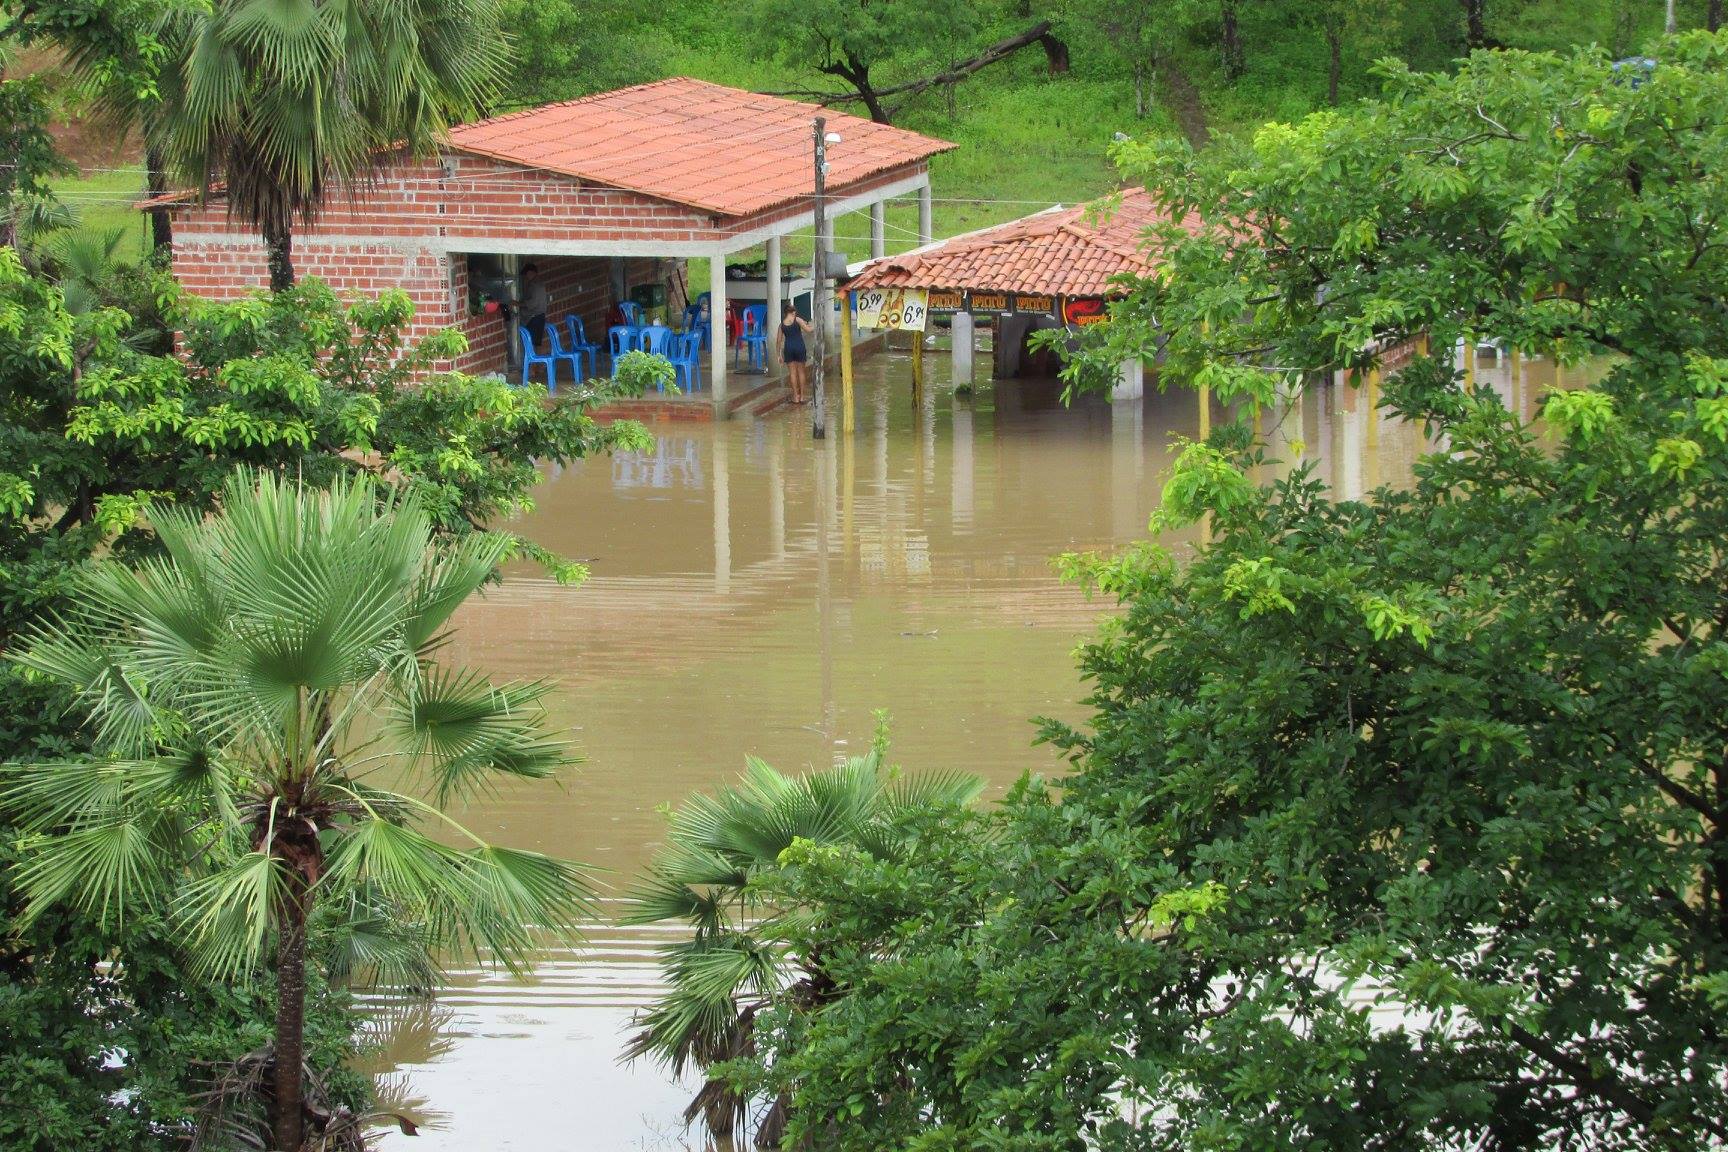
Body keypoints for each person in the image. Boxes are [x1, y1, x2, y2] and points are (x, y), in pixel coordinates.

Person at [776, 302, 814, 404]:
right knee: (801, 372)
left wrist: (778, 355)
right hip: (799, 347)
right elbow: (809, 330)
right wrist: (814, 325)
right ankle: (802, 396)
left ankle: (795, 397)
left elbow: (778, 341)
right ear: (792, 312)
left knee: (792, 373)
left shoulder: (782, 325)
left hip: (788, 348)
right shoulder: (797, 320)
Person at [519, 262, 549, 349]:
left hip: (534, 318)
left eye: (527, 274)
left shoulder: (534, 285)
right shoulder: (540, 283)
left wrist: (517, 304)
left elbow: (532, 303)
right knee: (535, 344)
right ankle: (535, 361)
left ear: (531, 272)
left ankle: (532, 361)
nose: (526, 276)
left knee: (531, 344)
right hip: (540, 317)